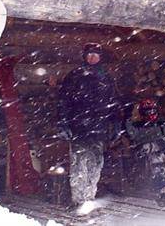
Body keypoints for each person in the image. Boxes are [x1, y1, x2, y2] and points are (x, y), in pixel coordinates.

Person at [57, 42, 120, 211]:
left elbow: (113, 103)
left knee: (95, 164)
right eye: (89, 55)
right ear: (84, 56)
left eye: (96, 55)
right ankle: (78, 201)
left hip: (98, 129)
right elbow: (63, 102)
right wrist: (63, 123)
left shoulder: (106, 77)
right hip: (78, 127)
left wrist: (116, 124)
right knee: (79, 164)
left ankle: (89, 198)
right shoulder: (75, 76)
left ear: (100, 57)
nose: (93, 58)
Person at [124, 98, 165, 207]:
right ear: (142, 113)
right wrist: (127, 118)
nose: (150, 114)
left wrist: (159, 144)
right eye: (147, 111)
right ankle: (163, 191)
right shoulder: (138, 126)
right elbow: (132, 134)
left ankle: (162, 189)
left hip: (164, 149)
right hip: (146, 153)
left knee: (157, 154)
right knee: (155, 159)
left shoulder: (162, 124)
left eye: (152, 111)